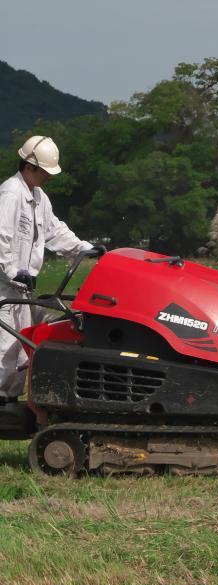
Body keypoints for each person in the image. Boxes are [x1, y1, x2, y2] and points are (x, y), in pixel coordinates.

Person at [0, 135, 99, 402]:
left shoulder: (39, 197)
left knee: (20, 351)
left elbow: (55, 232)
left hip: (22, 288)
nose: (49, 177)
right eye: (45, 171)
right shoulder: (10, 194)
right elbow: (1, 237)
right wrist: (12, 270)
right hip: (5, 287)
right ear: (29, 166)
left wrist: (84, 248)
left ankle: (9, 406)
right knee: (5, 350)